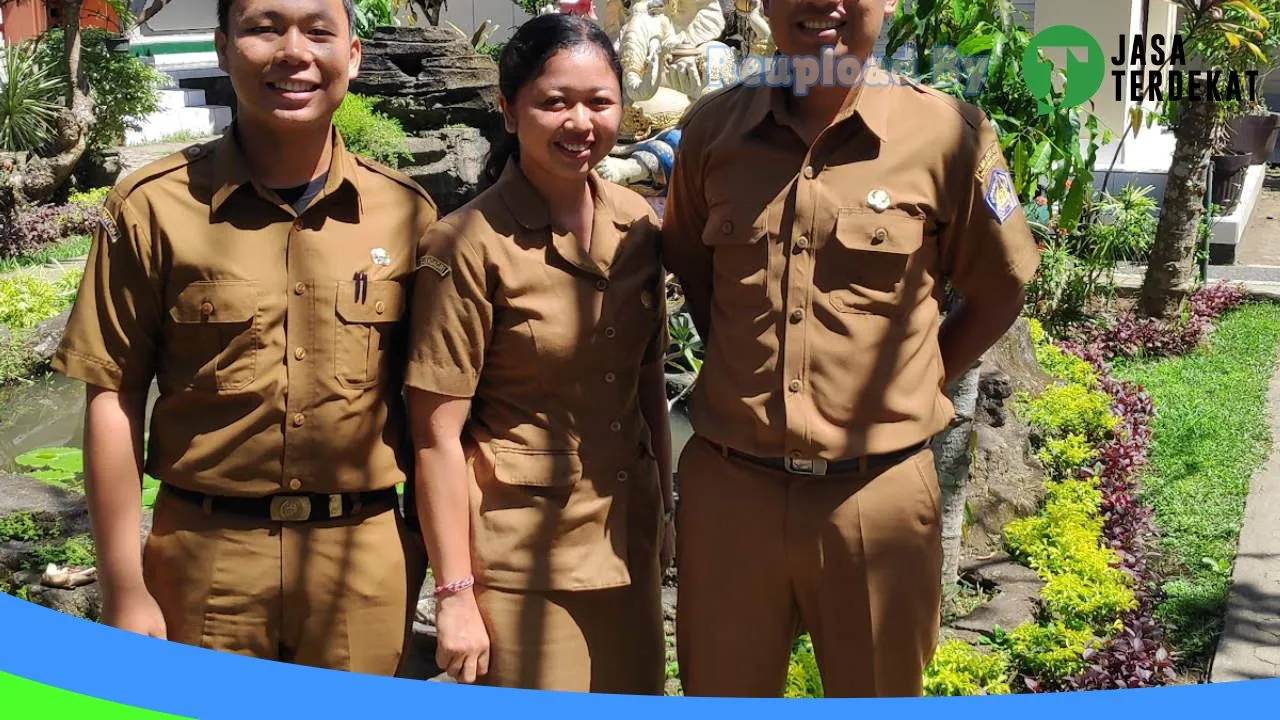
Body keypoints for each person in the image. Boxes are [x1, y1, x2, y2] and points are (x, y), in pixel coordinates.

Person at [661, 0, 1041, 698]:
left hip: (877, 499)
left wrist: (919, 382)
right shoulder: (711, 131)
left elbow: (1001, 289)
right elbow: (699, 279)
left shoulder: (947, 134)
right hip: (731, 494)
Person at [51, 0, 434, 674]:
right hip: (204, 560)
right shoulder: (152, 207)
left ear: (353, 55)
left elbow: (437, 410)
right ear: (224, 48)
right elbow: (112, 397)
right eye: (264, 28)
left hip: (363, 563)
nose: (293, 51)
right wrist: (122, 587)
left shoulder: (407, 212)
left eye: (319, 30)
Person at [404, 12, 674, 692]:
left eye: (598, 102)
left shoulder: (637, 224)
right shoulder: (466, 244)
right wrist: (456, 593)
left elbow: (647, 384)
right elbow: (435, 437)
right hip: (524, 559)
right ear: (508, 109)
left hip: (626, 541)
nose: (579, 122)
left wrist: (664, 507)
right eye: (555, 102)